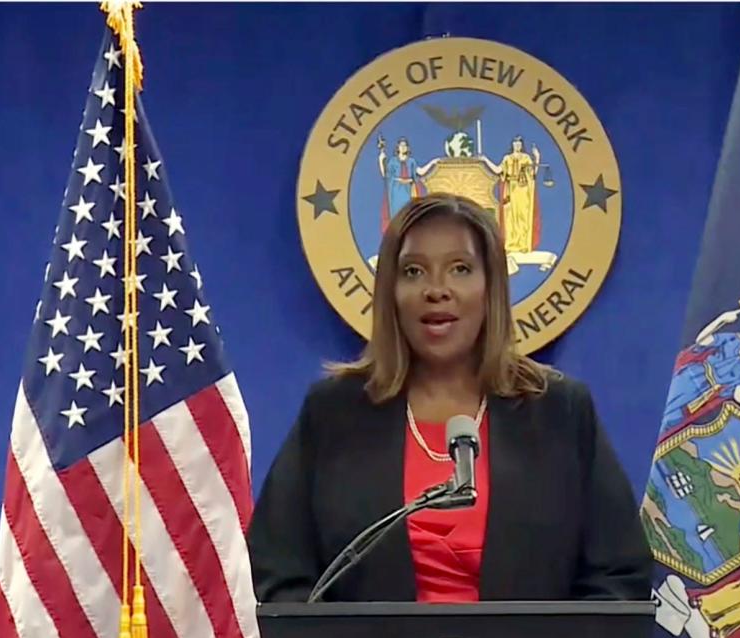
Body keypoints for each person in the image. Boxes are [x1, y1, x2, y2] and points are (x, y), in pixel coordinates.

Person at [247, 192, 651, 603]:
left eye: (460, 269)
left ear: (490, 287)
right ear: (390, 292)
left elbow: (617, 575)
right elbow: (280, 572)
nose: (436, 289)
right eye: (413, 271)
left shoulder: (559, 411)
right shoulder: (334, 412)